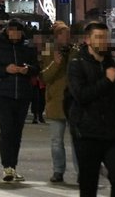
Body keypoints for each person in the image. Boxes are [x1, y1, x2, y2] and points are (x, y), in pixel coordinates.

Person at [67, 21, 115, 197]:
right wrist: (106, 81)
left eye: (105, 37)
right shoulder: (77, 64)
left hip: (112, 134)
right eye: (98, 37)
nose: (102, 41)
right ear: (88, 40)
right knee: (88, 183)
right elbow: (81, 95)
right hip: (87, 134)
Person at [0, 18, 39, 183]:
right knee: (7, 130)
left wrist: (27, 70)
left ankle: (13, 166)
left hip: (23, 93)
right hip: (3, 93)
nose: (15, 34)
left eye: (18, 31)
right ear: (7, 31)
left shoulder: (27, 46)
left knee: (17, 132)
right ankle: (7, 166)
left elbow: (36, 67)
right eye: (12, 31)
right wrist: (4, 69)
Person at [40, 21, 78, 184]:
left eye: (68, 34)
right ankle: (58, 170)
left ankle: (81, 172)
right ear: (56, 37)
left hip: (74, 101)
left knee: (76, 140)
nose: (66, 37)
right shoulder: (49, 52)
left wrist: (70, 56)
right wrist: (56, 62)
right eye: (63, 34)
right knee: (56, 141)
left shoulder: (75, 52)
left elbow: (77, 72)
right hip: (55, 101)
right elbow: (45, 76)